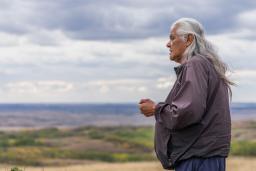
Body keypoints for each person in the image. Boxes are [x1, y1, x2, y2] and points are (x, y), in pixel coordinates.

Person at [139, 18, 234, 171]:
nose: (168, 44)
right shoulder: (206, 65)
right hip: (204, 157)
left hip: (197, 159)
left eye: (172, 38)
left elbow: (188, 111)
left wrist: (156, 109)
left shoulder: (195, 64)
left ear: (189, 39)